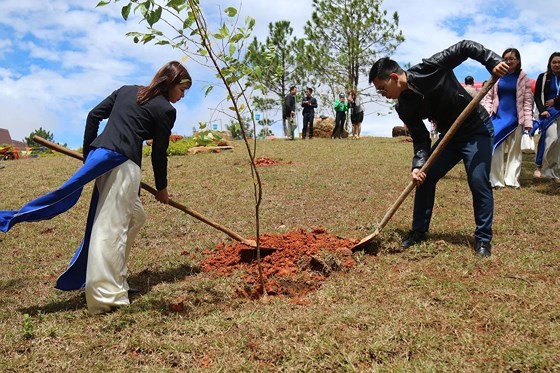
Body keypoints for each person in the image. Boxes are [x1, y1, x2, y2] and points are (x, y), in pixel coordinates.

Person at [0, 61, 192, 314]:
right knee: (111, 227)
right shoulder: (165, 109)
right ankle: (104, 297)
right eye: (182, 89)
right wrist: (162, 188)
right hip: (124, 165)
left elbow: (94, 115)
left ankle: (116, 278)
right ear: (171, 83)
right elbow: (159, 153)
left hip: (106, 158)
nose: (182, 96)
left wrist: (89, 152)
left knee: (135, 217)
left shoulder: (126, 90)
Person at [368, 40, 509, 257]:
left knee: (478, 180)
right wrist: (418, 165)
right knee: (425, 176)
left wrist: (493, 61)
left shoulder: (430, 68)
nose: (382, 94)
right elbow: (420, 137)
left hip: (476, 129)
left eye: (382, 89)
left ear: (394, 78)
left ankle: (483, 239)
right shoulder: (403, 106)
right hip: (449, 137)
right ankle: (419, 232)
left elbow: (465, 47)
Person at [483, 48, 534, 189]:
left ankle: (512, 181)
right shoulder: (496, 75)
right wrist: (486, 115)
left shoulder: (524, 78)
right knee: (495, 149)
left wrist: (528, 123)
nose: (509, 61)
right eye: (505, 59)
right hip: (497, 118)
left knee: (515, 152)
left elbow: (528, 102)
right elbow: (489, 97)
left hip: (517, 120)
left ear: (518, 61)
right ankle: (496, 181)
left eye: (512, 58)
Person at [532, 52, 560, 182]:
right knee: (551, 139)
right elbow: (537, 95)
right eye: (554, 62)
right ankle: (540, 166)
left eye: (559, 62)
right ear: (550, 63)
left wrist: (556, 101)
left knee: (558, 142)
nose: (557, 65)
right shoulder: (543, 77)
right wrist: (542, 110)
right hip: (549, 113)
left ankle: (554, 171)